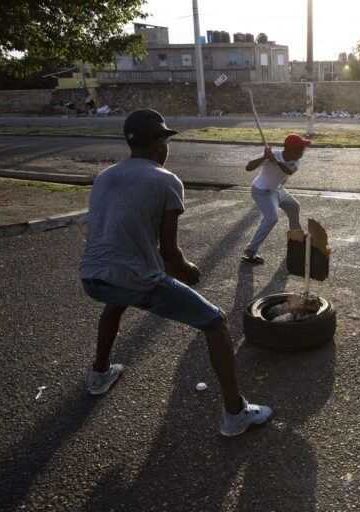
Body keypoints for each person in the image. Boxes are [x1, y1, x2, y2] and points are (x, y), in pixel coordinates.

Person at [79, 109, 271, 437]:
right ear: (159, 145)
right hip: (136, 280)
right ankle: (236, 414)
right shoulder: (167, 180)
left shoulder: (105, 176)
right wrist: (188, 271)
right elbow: (170, 253)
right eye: (166, 142)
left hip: (92, 276)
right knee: (216, 322)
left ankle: (99, 375)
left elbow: (119, 233)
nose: (167, 148)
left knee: (117, 299)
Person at [241, 134, 311, 265]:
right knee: (271, 218)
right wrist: (265, 157)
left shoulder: (296, 161)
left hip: (278, 190)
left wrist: (276, 161)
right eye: (301, 149)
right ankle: (250, 250)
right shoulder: (273, 154)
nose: (303, 152)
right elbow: (248, 167)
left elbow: (288, 171)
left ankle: (297, 240)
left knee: (294, 206)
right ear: (290, 150)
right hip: (262, 192)